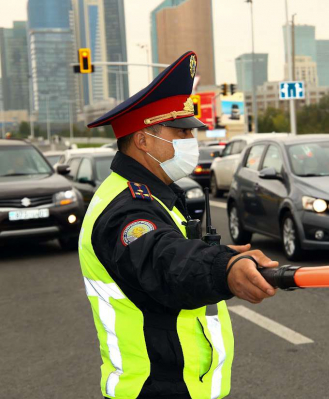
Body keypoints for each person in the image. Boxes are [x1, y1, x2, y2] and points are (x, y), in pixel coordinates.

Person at [79, 51, 278, 399]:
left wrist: (220, 254)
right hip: (154, 387)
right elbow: (162, 259)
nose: (192, 142)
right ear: (143, 139)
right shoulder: (125, 208)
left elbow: (172, 247)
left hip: (176, 384)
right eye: (181, 133)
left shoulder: (150, 194)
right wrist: (223, 268)